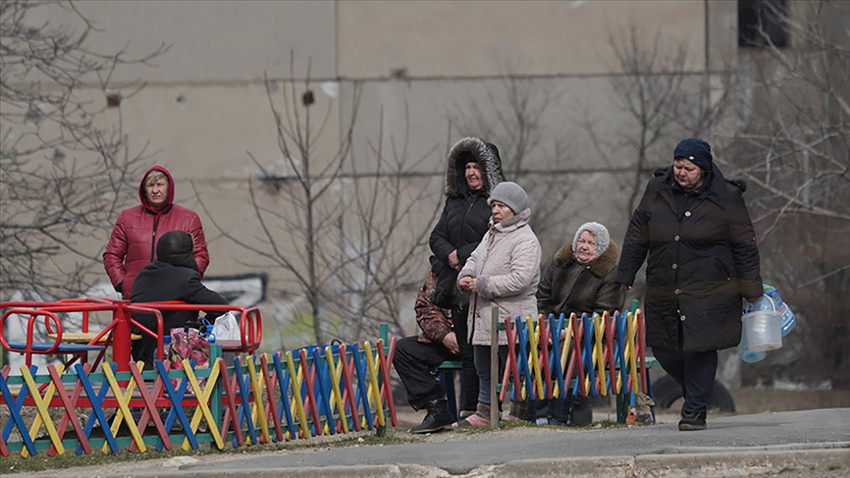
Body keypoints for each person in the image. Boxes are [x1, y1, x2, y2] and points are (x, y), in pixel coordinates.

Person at [615, 138, 762, 431]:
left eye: (689, 168)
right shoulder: (657, 189)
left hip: (711, 286)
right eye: (678, 165)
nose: (681, 172)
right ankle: (698, 391)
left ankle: (694, 411)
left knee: (700, 347)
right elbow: (637, 233)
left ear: (704, 169)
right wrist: (625, 273)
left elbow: (744, 244)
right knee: (664, 347)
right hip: (664, 282)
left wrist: (750, 289)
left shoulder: (726, 196)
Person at [393, 137, 504, 433]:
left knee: (472, 352)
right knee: (407, 350)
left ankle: (472, 411)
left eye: (476, 166)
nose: (470, 172)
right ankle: (437, 407)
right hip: (453, 287)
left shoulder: (498, 203)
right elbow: (436, 236)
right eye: (466, 167)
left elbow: (498, 237)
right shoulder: (453, 203)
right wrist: (450, 256)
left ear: (489, 169)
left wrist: (463, 255)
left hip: (479, 287)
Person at [456, 181, 541, 427]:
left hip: (511, 317)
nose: (495, 210)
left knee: (516, 370)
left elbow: (519, 280)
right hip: (485, 315)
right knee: (484, 367)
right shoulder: (491, 233)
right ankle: (485, 411)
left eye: (501, 205)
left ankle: (522, 411)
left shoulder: (526, 240)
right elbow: (474, 258)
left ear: (515, 209)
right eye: (493, 204)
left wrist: (481, 285)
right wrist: (466, 275)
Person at [534, 221, 624, 426]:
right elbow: (542, 299)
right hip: (552, 329)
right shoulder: (560, 264)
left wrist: (571, 332)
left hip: (590, 337)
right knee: (533, 352)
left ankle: (556, 416)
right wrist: (547, 326)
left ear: (599, 248)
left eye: (591, 243)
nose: (584, 246)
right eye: (581, 241)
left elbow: (604, 314)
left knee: (565, 354)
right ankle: (538, 412)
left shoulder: (609, 275)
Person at [104, 165, 210, 300]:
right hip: (136, 298)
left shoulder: (189, 218)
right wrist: (122, 283)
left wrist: (189, 282)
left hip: (177, 299)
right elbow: (112, 254)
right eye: (150, 185)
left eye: (160, 184)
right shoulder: (127, 217)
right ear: (144, 190)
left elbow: (201, 255)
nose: (155, 190)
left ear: (169, 187)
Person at [130, 230, 228, 369]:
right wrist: (204, 321)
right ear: (186, 254)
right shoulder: (185, 278)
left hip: (141, 360)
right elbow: (221, 307)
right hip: (173, 361)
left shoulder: (144, 274)